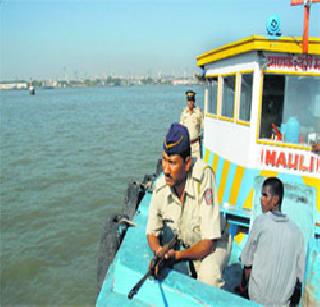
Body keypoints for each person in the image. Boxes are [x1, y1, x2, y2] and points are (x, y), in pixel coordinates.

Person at [146, 123, 230, 287]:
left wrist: (176, 256)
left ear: (187, 163)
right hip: (185, 240)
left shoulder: (203, 177)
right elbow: (151, 232)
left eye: (172, 162)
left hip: (214, 243)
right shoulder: (161, 186)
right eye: (164, 160)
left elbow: (208, 242)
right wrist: (158, 253)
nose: (166, 169)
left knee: (208, 280)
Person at [239, 177, 305, 306]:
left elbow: (247, 263)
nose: (261, 199)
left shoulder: (261, 222)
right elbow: (300, 277)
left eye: (265, 195)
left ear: (275, 200)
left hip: (256, 299)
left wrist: (243, 286)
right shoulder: (297, 232)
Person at [180, 90, 203, 159]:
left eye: (192, 100)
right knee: (186, 165)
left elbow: (203, 126)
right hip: (186, 144)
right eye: (189, 101)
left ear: (194, 101)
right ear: (187, 102)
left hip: (195, 144)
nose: (190, 102)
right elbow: (181, 129)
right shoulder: (184, 113)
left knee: (196, 164)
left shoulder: (198, 113)